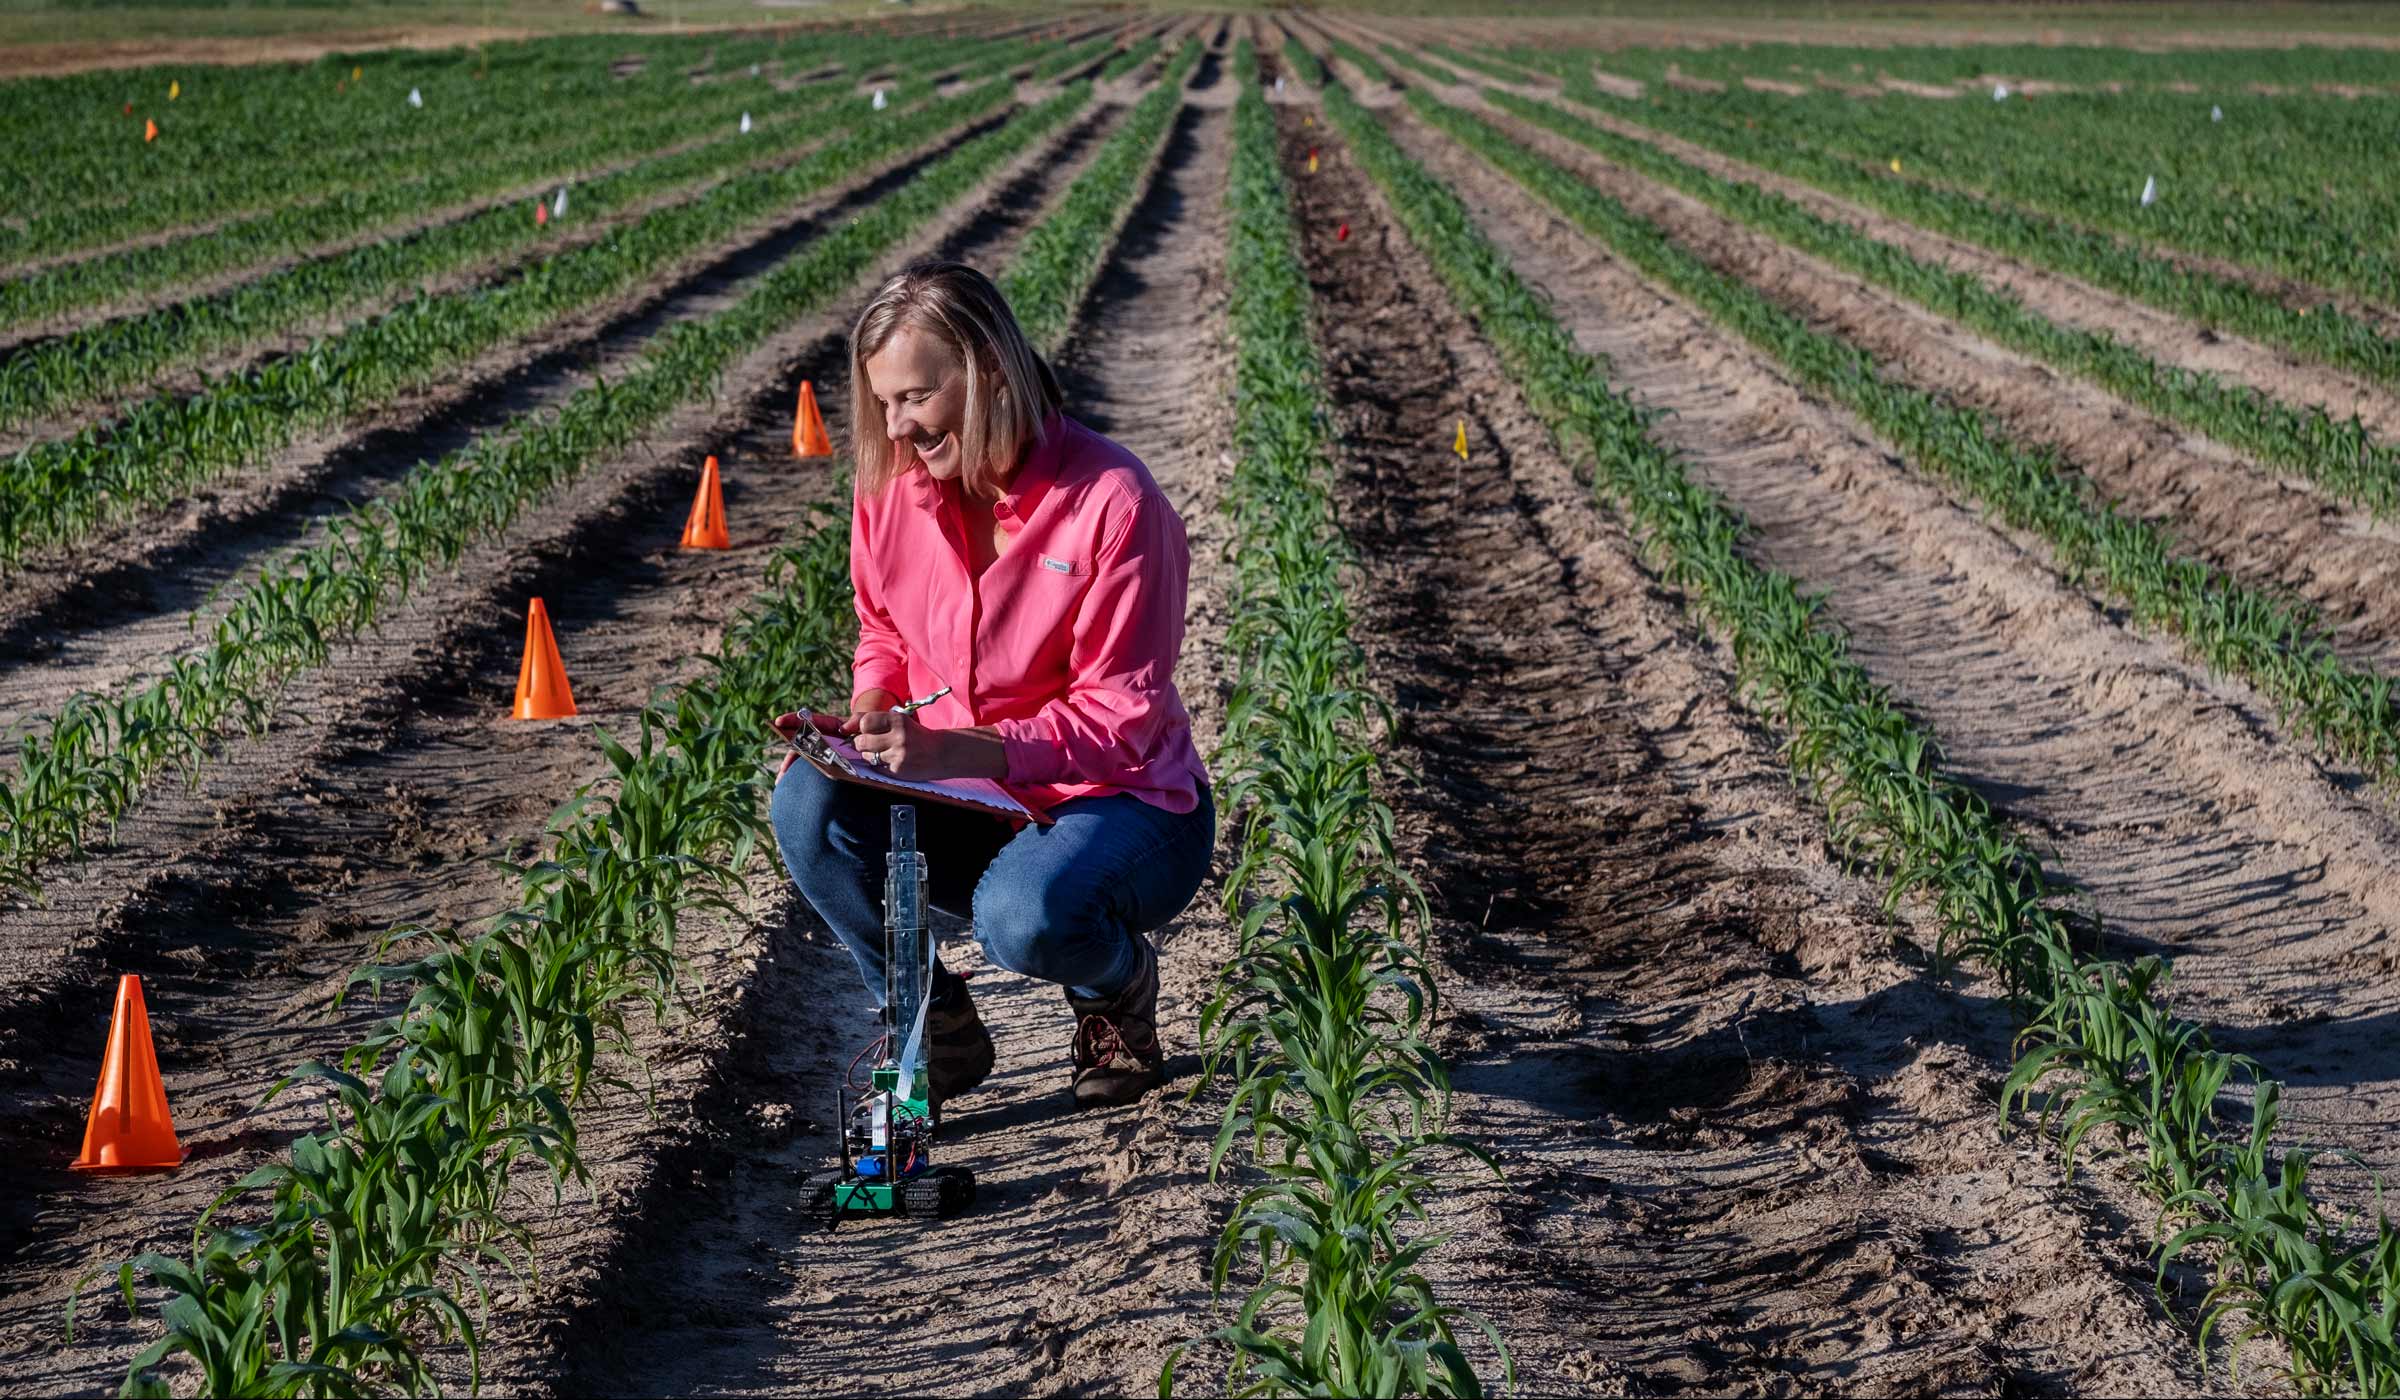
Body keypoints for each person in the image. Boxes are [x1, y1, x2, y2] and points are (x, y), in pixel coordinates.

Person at [769, 260, 1213, 1111]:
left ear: (989, 373)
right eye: (884, 403)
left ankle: (1116, 985)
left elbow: (1120, 723)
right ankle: (933, 1029)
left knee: (1027, 917)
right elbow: (885, 629)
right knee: (807, 806)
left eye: (916, 398)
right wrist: (872, 713)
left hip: (1119, 804)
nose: (896, 428)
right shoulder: (892, 493)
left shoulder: (1113, 503)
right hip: (973, 792)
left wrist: (952, 749)